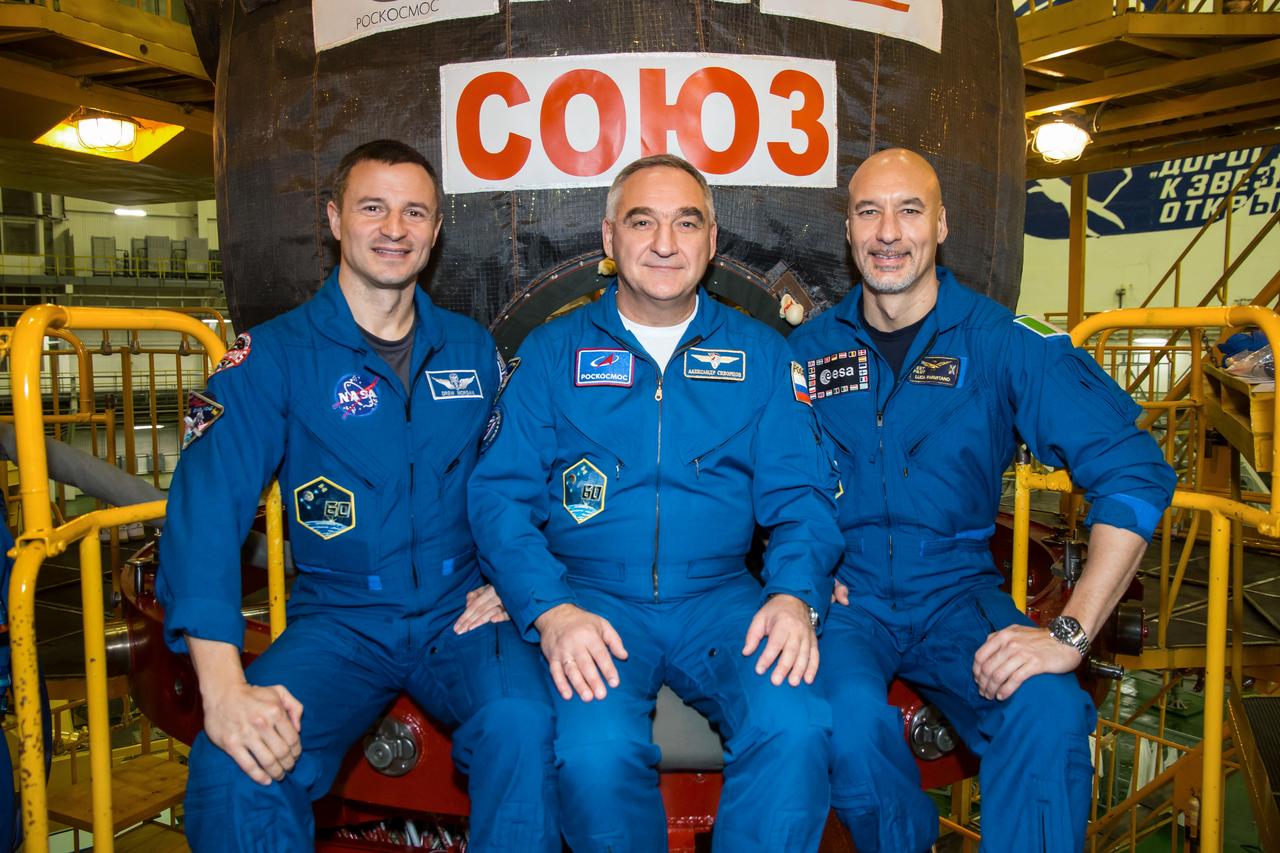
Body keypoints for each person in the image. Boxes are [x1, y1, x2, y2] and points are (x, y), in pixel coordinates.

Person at [158, 140, 559, 852]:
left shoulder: (472, 351)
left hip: (460, 612)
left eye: (414, 213)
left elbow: (537, 470)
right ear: (335, 219)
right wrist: (223, 687)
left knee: (524, 725)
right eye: (373, 207)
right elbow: (205, 512)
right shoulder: (272, 358)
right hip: (341, 621)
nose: (394, 229)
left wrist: (522, 578)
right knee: (233, 766)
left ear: (435, 234)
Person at [788, 147, 1177, 852]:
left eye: (910, 210)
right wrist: (797, 574)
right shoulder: (805, 351)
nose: (888, 231)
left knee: (1050, 709)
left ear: (941, 226)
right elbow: (756, 480)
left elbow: (1133, 472)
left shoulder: (1004, 344)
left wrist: (1071, 633)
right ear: (847, 231)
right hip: (850, 599)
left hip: (955, 594)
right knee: (840, 725)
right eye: (869, 211)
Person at [468, 154, 843, 852]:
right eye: (643, 221)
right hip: (592, 603)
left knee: (796, 727)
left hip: (725, 598)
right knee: (593, 755)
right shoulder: (552, 355)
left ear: (711, 238)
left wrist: (794, 593)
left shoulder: (762, 356)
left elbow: (803, 498)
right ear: (610, 239)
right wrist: (547, 608)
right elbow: (499, 498)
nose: (665, 242)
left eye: (686, 222)